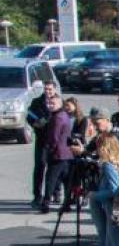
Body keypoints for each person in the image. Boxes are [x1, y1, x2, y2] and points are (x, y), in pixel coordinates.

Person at [39, 94, 73, 214]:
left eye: (53, 103)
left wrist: (50, 150)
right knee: (65, 180)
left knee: (51, 179)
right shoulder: (65, 115)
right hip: (67, 154)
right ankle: (67, 203)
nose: (50, 105)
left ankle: (46, 203)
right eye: (49, 103)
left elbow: (54, 137)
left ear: (60, 104)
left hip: (58, 154)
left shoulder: (57, 117)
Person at [28, 80, 57, 208]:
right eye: (46, 89)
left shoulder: (59, 102)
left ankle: (55, 194)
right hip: (41, 140)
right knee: (40, 167)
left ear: (54, 90)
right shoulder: (36, 102)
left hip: (55, 142)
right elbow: (29, 116)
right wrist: (35, 123)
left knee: (55, 169)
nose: (48, 91)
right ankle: (37, 196)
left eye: (50, 89)